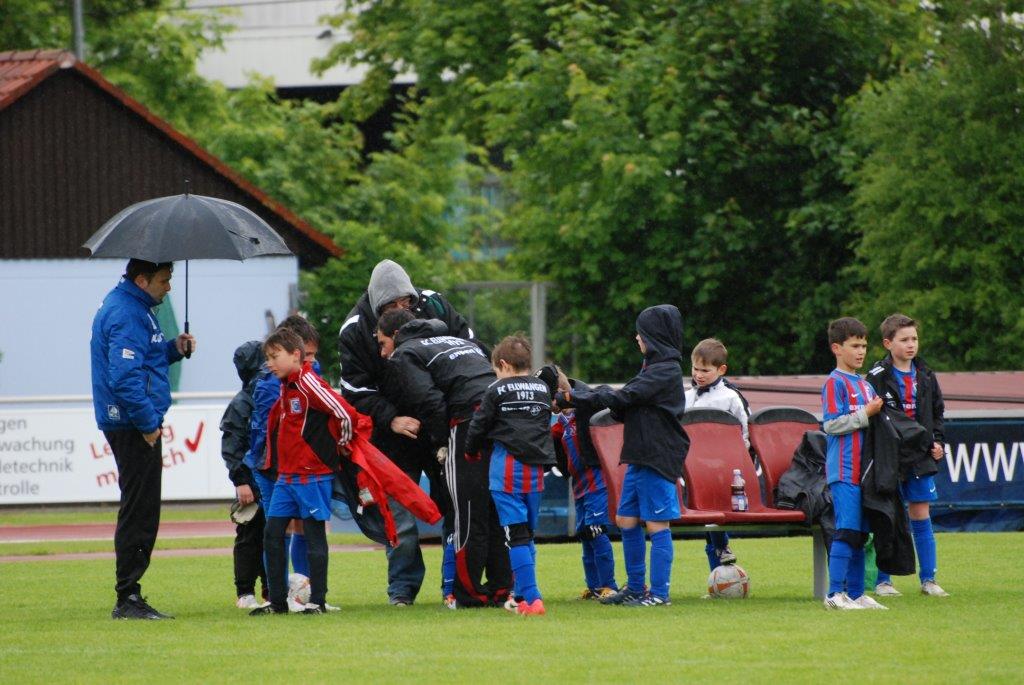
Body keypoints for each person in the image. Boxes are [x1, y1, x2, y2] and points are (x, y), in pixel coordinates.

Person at [338, 259, 479, 606]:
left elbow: (471, 351)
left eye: (407, 302)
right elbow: (355, 391)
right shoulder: (354, 330)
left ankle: (455, 584)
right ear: (377, 307)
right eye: (393, 305)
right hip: (393, 434)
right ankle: (402, 588)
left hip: (441, 424)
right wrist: (392, 419)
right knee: (398, 513)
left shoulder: (435, 304)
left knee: (454, 505)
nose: (403, 310)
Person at [376, 308, 511, 609]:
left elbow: (430, 401)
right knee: (495, 508)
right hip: (502, 418)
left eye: (383, 344)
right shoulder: (461, 341)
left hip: (467, 421)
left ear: (396, 335)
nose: (383, 353)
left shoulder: (406, 353)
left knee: (466, 511)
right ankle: (502, 588)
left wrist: (441, 442)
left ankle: (469, 594)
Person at [90, 258, 196, 620]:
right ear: (141, 279)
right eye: (163, 280)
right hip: (132, 424)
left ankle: (130, 592)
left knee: (141, 507)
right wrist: (148, 423)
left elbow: (145, 359)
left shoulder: (134, 307)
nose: (168, 287)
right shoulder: (127, 313)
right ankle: (128, 597)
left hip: (131, 420)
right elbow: (124, 378)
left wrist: (173, 349)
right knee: (140, 509)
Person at [564, 304, 689, 608]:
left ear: (655, 337)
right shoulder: (650, 370)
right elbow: (624, 402)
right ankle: (635, 588)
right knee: (626, 519)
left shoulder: (666, 370)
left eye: (641, 333)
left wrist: (572, 397)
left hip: (657, 455)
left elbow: (624, 396)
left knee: (656, 523)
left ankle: (659, 594)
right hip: (637, 455)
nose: (637, 338)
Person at [250, 328, 355, 615]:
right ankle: (278, 602)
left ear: (295, 355)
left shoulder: (309, 382)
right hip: (287, 475)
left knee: (313, 535)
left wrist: (342, 445)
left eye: (274, 357)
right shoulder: (286, 385)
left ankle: (317, 601)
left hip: (311, 475)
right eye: (268, 358)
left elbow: (343, 412)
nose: (269, 363)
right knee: (272, 534)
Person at [464, 336, 557, 616]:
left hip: (506, 469)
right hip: (536, 470)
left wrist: (470, 450)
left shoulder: (497, 389)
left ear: (503, 364)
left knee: (515, 536)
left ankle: (533, 598)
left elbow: (479, 424)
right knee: (527, 535)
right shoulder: (542, 388)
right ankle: (520, 595)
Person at [866, 313, 949, 598]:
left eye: (914, 338)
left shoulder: (926, 374)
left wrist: (937, 442)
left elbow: (937, 412)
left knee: (921, 514)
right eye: (904, 340)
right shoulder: (877, 376)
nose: (911, 344)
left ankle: (929, 579)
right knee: (887, 516)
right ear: (888, 343)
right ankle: (883, 581)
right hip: (889, 456)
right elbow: (874, 418)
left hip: (920, 456)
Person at [244, 315, 321, 586]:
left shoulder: (312, 371)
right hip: (272, 466)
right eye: (307, 355)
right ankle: (277, 592)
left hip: (301, 463)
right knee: (278, 527)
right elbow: (271, 432)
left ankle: (305, 591)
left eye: (313, 355)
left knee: (305, 524)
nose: (312, 361)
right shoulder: (268, 384)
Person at [820, 317, 887, 610]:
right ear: (837, 348)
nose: (861, 352)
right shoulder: (834, 383)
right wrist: (865, 414)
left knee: (861, 534)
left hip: (865, 472)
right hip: (844, 470)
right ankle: (834, 594)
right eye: (855, 346)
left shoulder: (865, 384)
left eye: (864, 346)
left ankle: (857, 594)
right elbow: (831, 425)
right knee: (846, 530)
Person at [541, 366, 618, 602]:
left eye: (548, 398)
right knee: (585, 533)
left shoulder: (587, 403)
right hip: (579, 483)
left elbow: (607, 394)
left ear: (559, 392)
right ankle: (594, 587)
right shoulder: (561, 421)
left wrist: (571, 397)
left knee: (596, 529)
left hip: (597, 479)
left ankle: (609, 585)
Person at [683, 338, 750, 571]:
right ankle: (719, 569)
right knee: (706, 518)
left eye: (705, 370)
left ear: (721, 370)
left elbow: (745, 432)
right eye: (695, 369)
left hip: (723, 468)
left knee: (713, 514)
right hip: (692, 468)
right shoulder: (686, 397)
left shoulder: (731, 397)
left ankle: (722, 549)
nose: (698, 375)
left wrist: (736, 461)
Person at [219, 340, 268, 609]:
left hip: (269, 477)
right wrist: (241, 481)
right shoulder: (241, 404)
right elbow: (232, 447)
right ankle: (245, 592)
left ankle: (271, 590)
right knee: (249, 535)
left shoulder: (265, 395)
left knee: (271, 534)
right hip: (250, 480)